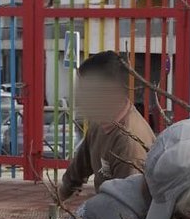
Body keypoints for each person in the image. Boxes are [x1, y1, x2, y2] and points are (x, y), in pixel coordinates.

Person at [58, 51, 155, 204]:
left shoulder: (129, 144)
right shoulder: (101, 122)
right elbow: (78, 170)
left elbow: (129, 208)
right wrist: (59, 198)